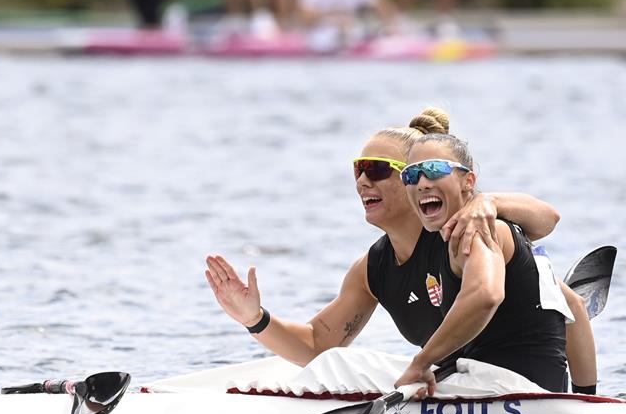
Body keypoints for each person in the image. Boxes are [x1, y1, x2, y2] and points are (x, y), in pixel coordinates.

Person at [206, 108, 598, 392]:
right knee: (333, 360)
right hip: (462, 385)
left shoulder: (469, 228)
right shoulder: (372, 268)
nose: (362, 180)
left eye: (376, 169)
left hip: (512, 390)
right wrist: (255, 319)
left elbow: (494, 291)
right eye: (358, 169)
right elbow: (318, 343)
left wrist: (586, 404)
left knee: (345, 366)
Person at [394, 133, 593, 394]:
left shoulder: (476, 233)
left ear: (468, 181)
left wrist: (422, 362)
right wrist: (587, 398)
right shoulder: (489, 232)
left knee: (345, 363)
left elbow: (485, 295)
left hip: (504, 391)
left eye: (433, 170)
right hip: (537, 392)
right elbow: (575, 305)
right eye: (411, 175)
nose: (421, 183)